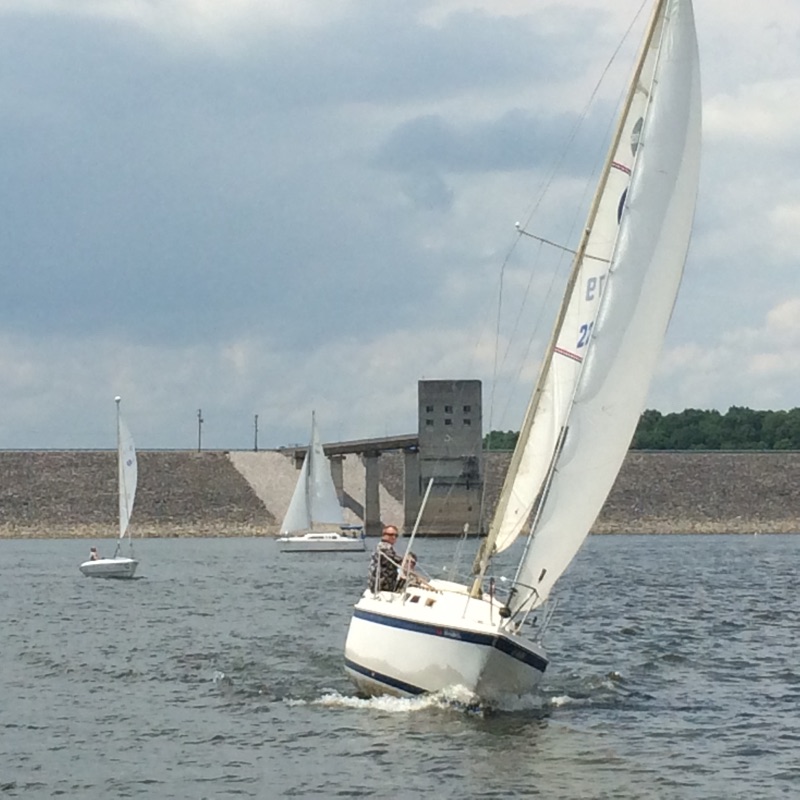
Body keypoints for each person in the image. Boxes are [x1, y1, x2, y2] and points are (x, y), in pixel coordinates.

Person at [368, 524, 401, 592]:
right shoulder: (383, 547)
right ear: (383, 535)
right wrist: (407, 561)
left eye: (396, 535)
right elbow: (395, 559)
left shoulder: (385, 547)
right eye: (391, 535)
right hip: (382, 586)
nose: (394, 537)